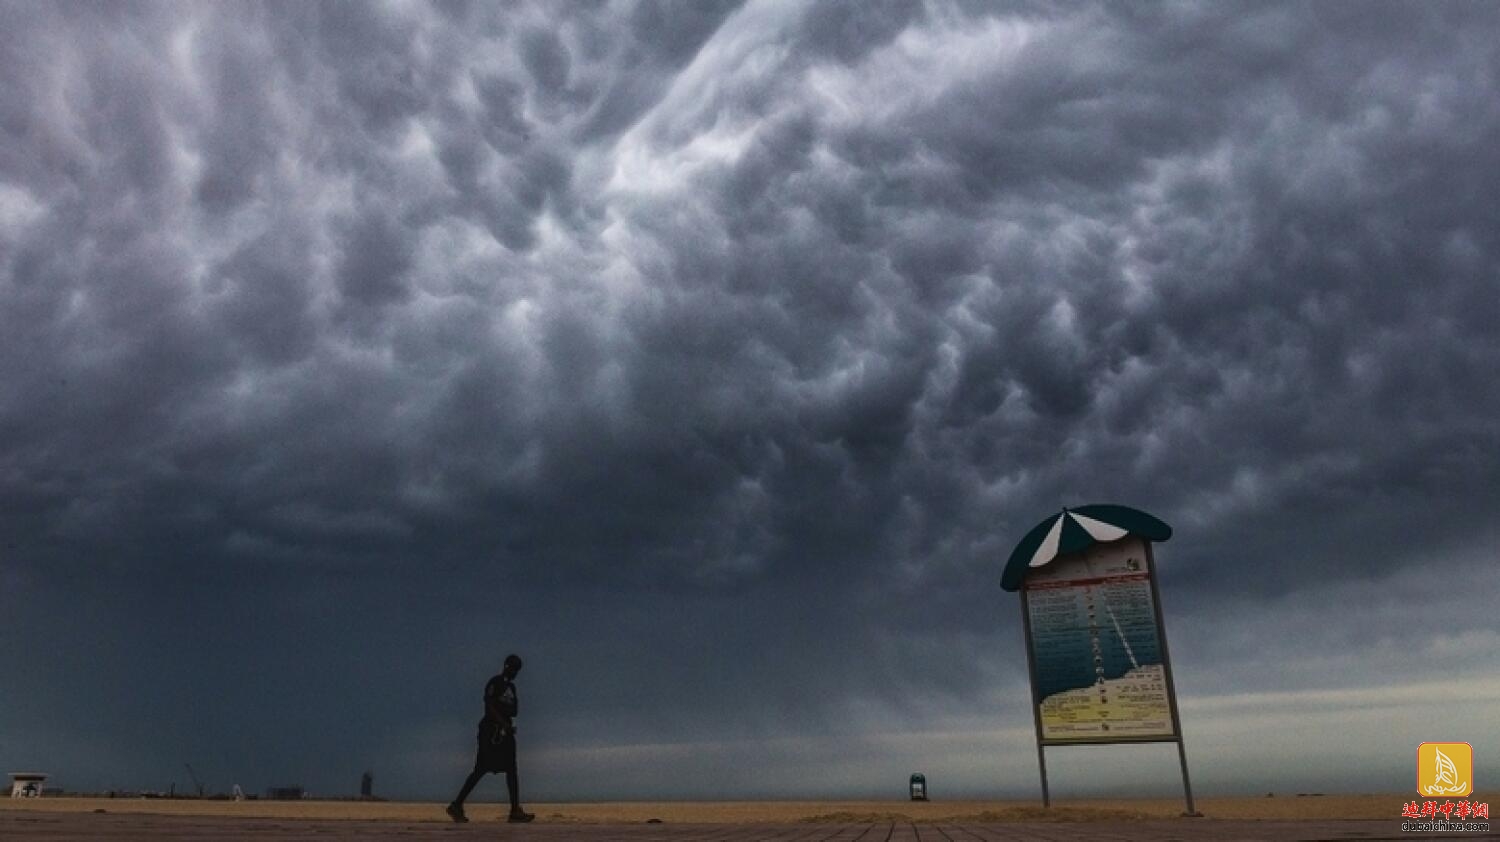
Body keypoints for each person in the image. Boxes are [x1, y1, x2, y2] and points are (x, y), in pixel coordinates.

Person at [446, 654, 534, 823]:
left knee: (511, 770)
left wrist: (506, 724)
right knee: (480, 769)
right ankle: (456, 805)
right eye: (513, 668)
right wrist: (502, 721)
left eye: (517, 670)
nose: (515, 672)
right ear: (506, 666)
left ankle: (515, 810)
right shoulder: (495, 682)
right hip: (490, 732)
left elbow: (515, 710)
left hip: (505, 734)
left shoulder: (512, 688)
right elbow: (489, 706)